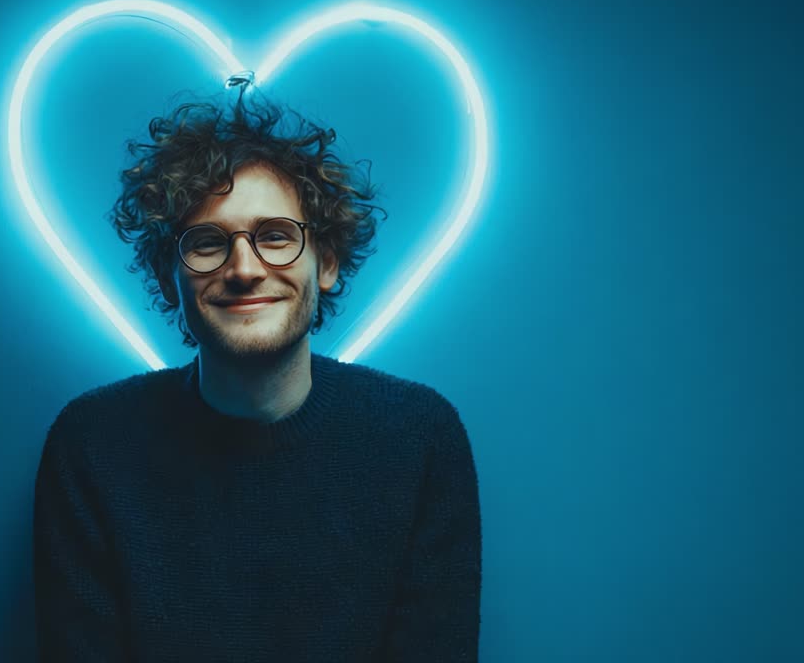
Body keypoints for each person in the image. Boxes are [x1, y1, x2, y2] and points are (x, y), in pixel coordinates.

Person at [32, 84, 482, 661]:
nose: (244, 268)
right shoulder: (92, 444)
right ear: (171, 275)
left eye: (275, 236)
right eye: (206, 242)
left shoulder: (420, 438)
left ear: (329, 263)